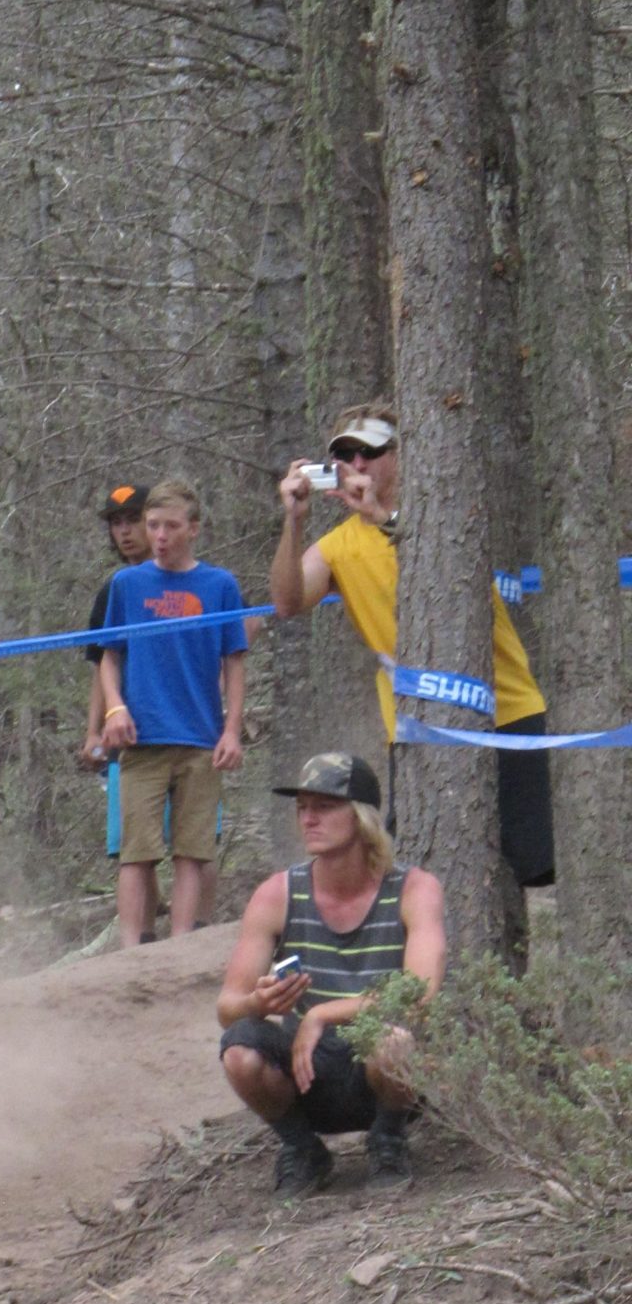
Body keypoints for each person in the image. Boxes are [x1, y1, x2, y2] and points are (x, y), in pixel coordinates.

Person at [272, 404, 554, 887]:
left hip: (505, 711)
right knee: (430, 863)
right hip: (417, 729)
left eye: (370, 452)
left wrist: (383, 518)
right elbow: (287, 600)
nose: (357, 465)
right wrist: (294, 521)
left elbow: (442, 575)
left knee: (531, 869)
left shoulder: (447, 518)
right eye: (345, 455)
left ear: (401, 456)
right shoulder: (338, 544)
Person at [218, 751, 444, 1194]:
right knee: (239, 1049)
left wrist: (321, 1014)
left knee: (395, 1040)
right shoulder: (277, 893)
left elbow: (419, 997)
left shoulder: (415, 889)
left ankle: (388, 1140)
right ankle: (301, 1148)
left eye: (323, 807)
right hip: (308, 1073)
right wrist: (257, 1004)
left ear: (361, 817)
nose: (308, 819)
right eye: (302, 807)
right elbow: (228, 1007)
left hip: (384, 1070)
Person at [97, 478, 246, 945]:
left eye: (171, 526)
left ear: (194, 529)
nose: (160, 535)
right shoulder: (126, 584)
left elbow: (236, 661)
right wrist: (113, 709)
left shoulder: (220, 585)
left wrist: (232, 730)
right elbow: (109, 656)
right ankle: (130, 954)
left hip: (201, 738)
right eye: (153, 525)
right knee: (136, 853)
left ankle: (181, 949)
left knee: (192, 852)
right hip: (141, 738)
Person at [79, 482, 220, 923]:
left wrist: (212, 687)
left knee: (197, 840)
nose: (126, 532)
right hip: (136, 732)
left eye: (133, 521)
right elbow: (104, 662)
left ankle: (198, 930)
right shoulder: (117, 589)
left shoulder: (207, 582)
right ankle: (143, 939)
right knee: (135, 842)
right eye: (115, 524)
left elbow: (241, 631)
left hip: (196, 727)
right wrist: (96, 728)